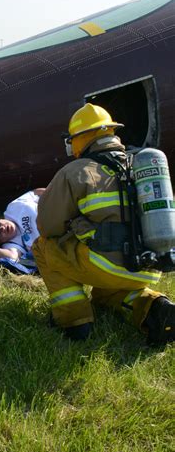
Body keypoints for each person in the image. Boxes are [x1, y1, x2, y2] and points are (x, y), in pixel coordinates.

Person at [32, 103, 175, 344]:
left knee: (43, 246)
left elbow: (47, 226)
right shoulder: (141, 165)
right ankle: (155, 308)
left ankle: (74, 321)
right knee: (104, 294)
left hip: (106, 265)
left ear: (80, 138)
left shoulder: (75, 171)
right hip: (149, 266)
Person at [0, 189, 45, 274]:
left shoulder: (13, 207)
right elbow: (13, 257)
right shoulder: (12, 244)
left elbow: (35, 193)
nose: (2, 228)